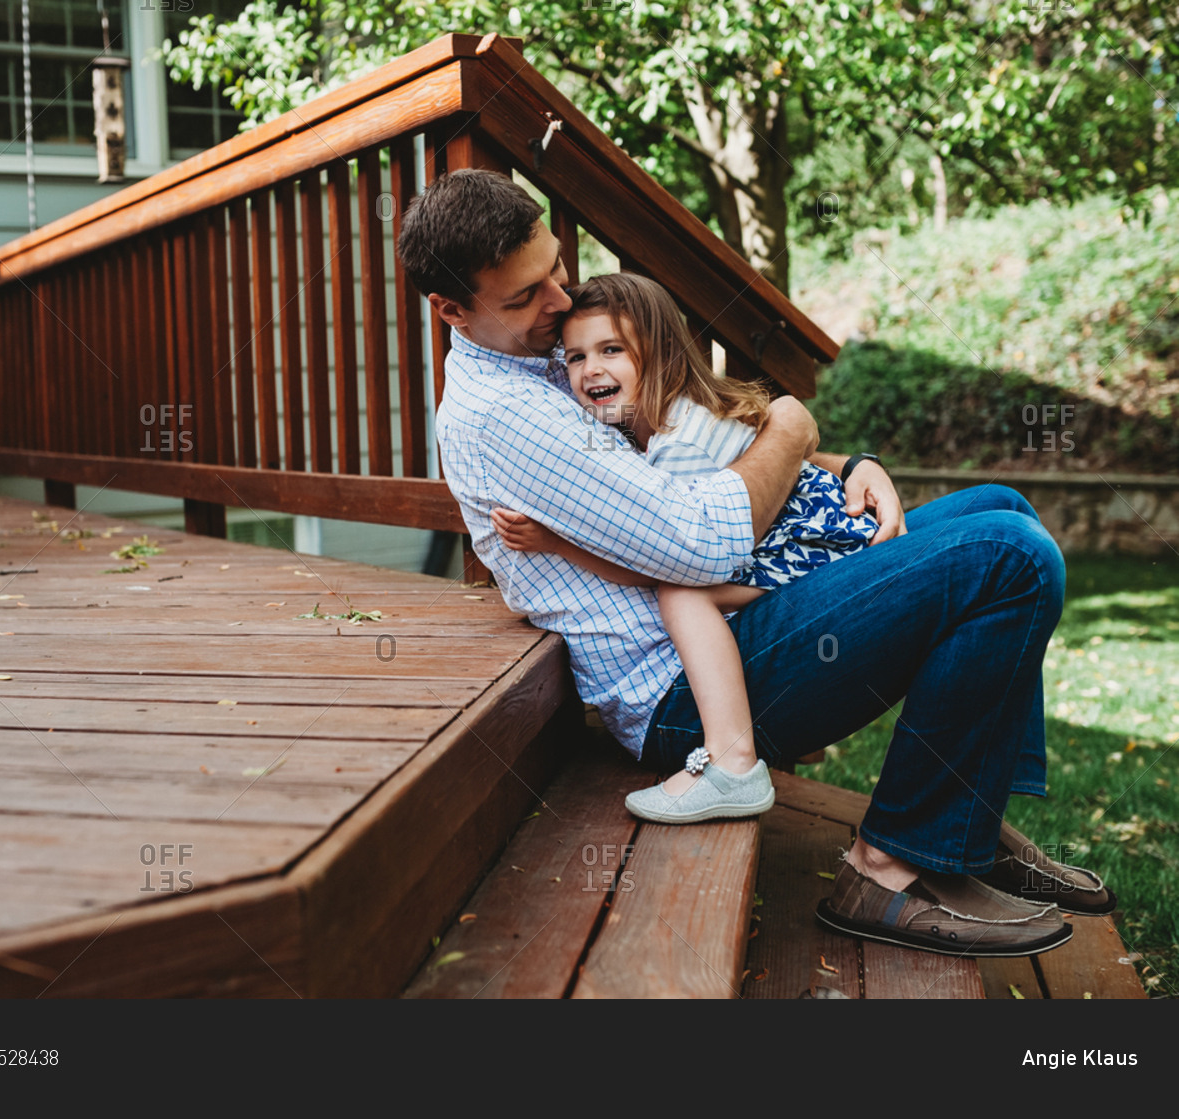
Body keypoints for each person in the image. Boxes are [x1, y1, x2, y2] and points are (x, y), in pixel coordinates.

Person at [396, 168, 1115, 957]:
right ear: (451, 310)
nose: (561, 301)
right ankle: (889, 867)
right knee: (1008, 559)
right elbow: (700, 541)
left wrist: (842, 465)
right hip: (687, 690)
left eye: (557, 269)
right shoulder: (505, 413)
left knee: (1001, 508)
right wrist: (795, 427)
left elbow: (708, 450)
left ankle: (962, 814)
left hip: (736, 614)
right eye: (527, 295)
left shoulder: (548, 352)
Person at [491, 272, 879, 826]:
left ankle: (732, 763)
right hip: (806, 529)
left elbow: (648, 567)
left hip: (814, 539)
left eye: (611, 350)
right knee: (685, 587)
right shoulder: (656, 426)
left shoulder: (678, 446)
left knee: (680, 592)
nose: (590, 369)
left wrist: (556, 542)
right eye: (574, 358)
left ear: (660, 354)